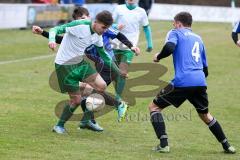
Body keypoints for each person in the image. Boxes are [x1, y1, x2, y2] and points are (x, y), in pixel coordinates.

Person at [32, 7, 140, 132]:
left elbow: (105, 56)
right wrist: (51, 40)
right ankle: (59, 126)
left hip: (80, 62)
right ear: (96, 22)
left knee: (101, 86)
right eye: (103, 27)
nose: (104, 31)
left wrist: (118, 72)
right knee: (76, 100)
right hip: (64, 65)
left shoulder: (97, 35)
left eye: (106, 28)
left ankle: (109, 109)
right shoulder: (80, 25)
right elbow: (56, 29)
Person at [149, 12, 236, 154]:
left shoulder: (175, 33)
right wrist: (197, 81)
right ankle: (227, 145)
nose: (173, 25)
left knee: (154, 107)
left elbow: (170, 47)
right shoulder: (199, 39)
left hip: (182, 81)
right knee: (205, 115)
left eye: (174, 23)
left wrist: (158, 56)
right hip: (200, 81)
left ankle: (164, 144)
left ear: (179, 24)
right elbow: (205, 68)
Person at [112, 0, 153, 101]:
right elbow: (109, 25)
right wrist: (116, 26)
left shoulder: (141, 11)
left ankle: (118, 98)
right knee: (114, 73)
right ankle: (118, 93)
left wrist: (150, 44)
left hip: (130, 46)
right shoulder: (118, 8)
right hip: (114, 44)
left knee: (122, 72)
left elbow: (146, 27)